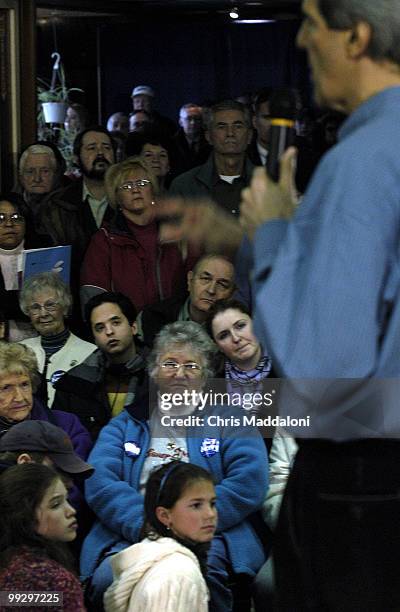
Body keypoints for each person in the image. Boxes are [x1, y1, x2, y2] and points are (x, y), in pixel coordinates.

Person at [159, 0, 400, 608]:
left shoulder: (362, 161)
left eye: (313, 23)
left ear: (357, 37)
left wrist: (270, 235)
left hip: (365, 475)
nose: (300, 40)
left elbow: (328, 370)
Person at [80, 321, 268, 612]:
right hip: (133, 533)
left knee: (203, 577)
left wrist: (190, 522)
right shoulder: (125, 424)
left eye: (192, 366)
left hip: (211, 535)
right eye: (170, 363)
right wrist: (145, 525)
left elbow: (249, 482)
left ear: (205, 376)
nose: (180, 373)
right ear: (154, 370)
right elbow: (100, 480)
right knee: (109, 581)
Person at [80, 157, 199, 313]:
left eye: (142, 183)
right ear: (116, 196)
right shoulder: (104, 241)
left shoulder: (178, 233)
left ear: (153, 190)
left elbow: (198, 281)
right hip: (128, 330)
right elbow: (94, 296)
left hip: (178, 327)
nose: (135, 190)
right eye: (127, 186)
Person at [103, 462, 216, 612]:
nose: (210, 514)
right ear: (164, 515)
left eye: (213, 503)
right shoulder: (178, 575)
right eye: (196, 505)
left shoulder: (153, 552)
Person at [54, 292, 147, 440]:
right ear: (94, 338)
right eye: (100, 328)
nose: (109, 332)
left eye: (116, 322)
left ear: (134, 327)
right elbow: (60, 439)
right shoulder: (73, 384)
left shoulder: (163, 374)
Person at [0, 463, 86, 610]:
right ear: (25, 515)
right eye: (56, 504)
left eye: (67, 500)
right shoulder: (52, 581)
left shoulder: (11, 566)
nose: (71, 511)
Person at [0, 341, 92, 461]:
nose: (20, 398)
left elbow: (78, 474)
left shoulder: (67, 425)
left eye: (24, 385)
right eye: (6, 388)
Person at [19, 272, 96, 406]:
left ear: (65, 308)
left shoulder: (90, 353)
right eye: (35, 307)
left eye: (50, 305)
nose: (43, 314)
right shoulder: (19, 352)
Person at [169, 100, 254, 216]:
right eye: (221, 127)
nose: (230, 133)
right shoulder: (184, 186)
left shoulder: (270, 185)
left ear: (249, 136)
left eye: (238, 126)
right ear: (208, 137)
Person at [137, 254, 235, 348]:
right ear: (190, 280)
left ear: (231, 293)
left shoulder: (235, 330)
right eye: (205, 279)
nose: (211, 290)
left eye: (222, 284)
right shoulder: (152, 316)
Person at [0, 192, 52, 342]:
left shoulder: (44, 250)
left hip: (43, 336)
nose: (9, 224)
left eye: (16, 218)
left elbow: (55, 301)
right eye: (1, 218)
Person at [173, 103, 211, 172]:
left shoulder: (211, 142)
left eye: (197, 119)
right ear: (180, 122)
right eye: (189, 119)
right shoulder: (172, 144)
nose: (193, 122)